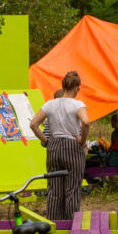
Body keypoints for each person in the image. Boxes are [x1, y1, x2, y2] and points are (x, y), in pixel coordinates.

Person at [30, 71, 90, 220]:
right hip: (72, 146)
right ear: (76, 87)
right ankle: (71, 225)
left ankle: (54, 224)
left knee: (54, 190)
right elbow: (86, 122)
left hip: (54, 147)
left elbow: (33, 124)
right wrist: (82, 142)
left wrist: (46, 141)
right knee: (72, 189)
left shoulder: (50, 104)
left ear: (63, 86)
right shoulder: (78, 105)